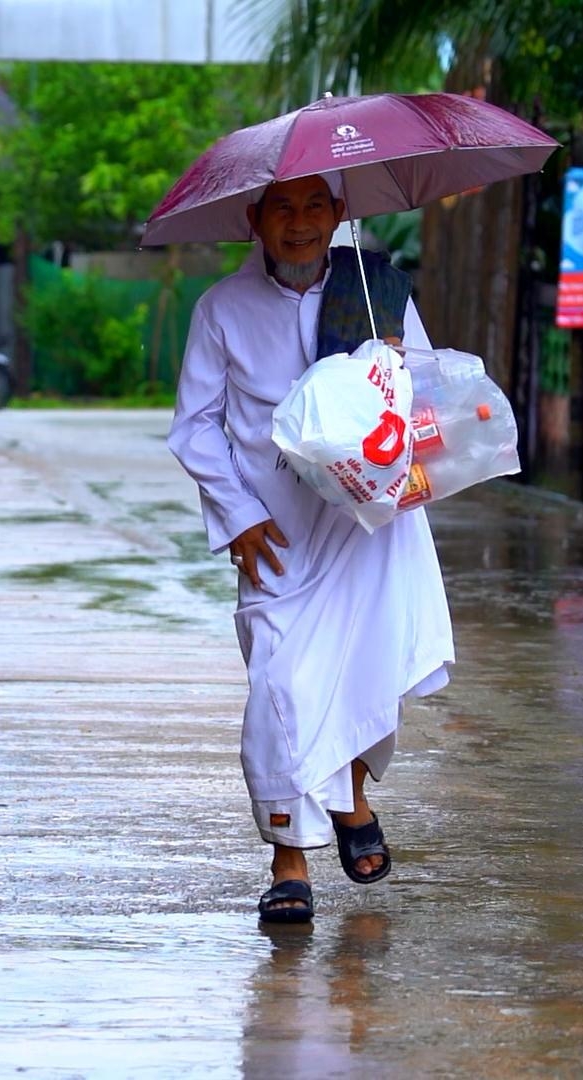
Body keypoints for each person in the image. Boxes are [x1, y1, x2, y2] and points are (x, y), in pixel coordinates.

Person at [166, 173, 455, 925]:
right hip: (278, 531)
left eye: (314, 207)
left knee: (361, 666)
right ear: (254, 218)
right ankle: (291, 855)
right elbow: (195, 426)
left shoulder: (378, 289)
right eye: (282, 209)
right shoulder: (221, 309)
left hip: (369, 524)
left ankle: (342, 811)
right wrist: (237, 517)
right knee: (281, 686)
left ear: (338, 214)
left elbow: (424, 393)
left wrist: (392, 364)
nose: (299, 224)